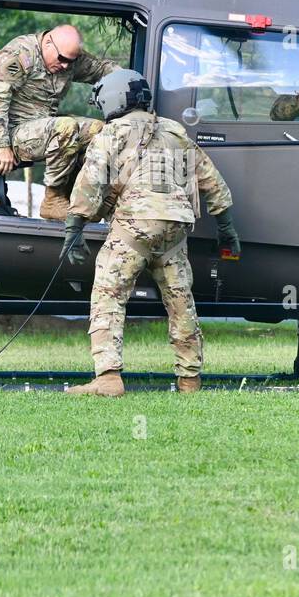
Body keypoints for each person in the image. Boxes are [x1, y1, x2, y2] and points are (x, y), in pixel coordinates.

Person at [60, 70, 240, 396]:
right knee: (181, 303)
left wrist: (75, 227)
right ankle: (189, 379)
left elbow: (92, 179)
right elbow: (211, 179)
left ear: (113, 99)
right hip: (174, 230)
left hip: (135, 228)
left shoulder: (112, 133)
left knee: (108, 294)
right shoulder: (175, 131)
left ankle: (108, 377)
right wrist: (226, 227)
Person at [0, 24, 120, 219]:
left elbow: (101, 69)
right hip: (15, 133)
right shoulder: (20, 54)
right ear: (47, 43)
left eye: (70, 62)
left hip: (47, 127)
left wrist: (130, 80)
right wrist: (2, 145)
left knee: (100, 130)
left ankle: (78, 196)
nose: (65, 66)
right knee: (65, 127)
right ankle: (52, 200)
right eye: (62, 59)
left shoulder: (67, 59)